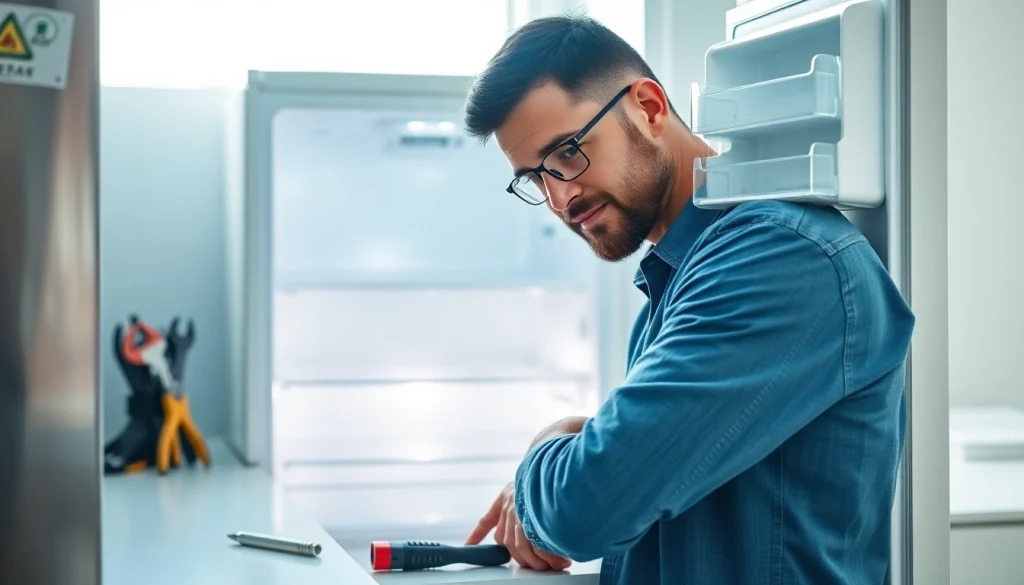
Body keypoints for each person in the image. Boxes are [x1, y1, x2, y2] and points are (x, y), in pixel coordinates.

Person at [461, 14, 916, 585]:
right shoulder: (682, 275)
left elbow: (590, 508)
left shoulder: (777, 258)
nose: (559, 199)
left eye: (568, 154)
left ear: (649, 108)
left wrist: (544, 452)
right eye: (535, 179)